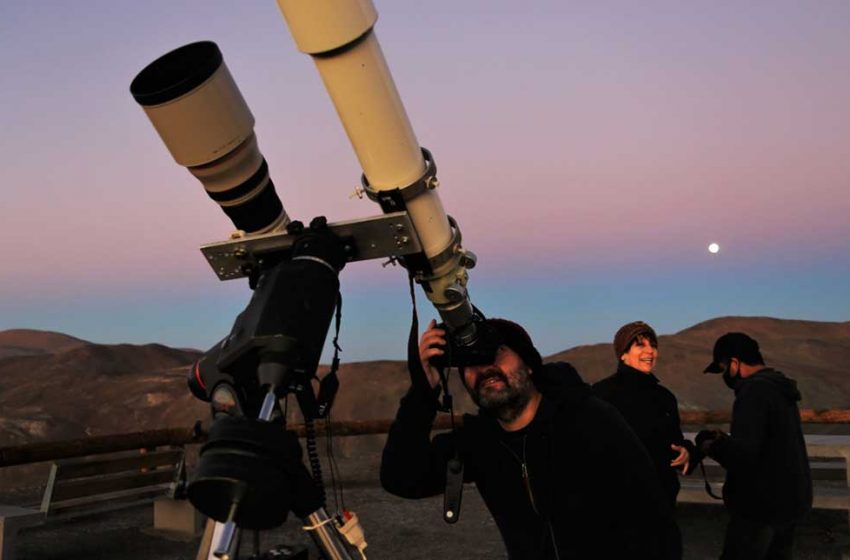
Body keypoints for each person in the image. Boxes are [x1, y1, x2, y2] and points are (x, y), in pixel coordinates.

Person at [380, 317, 671, 559]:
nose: (485, 368)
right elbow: (401, 477)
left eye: (497, 352)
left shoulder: (588, 419)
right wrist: (423, 391)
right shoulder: (478, 442)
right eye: (471, 361)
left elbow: (653, 517)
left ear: (529, 364)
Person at [697, 332, 812, 560]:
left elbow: (744, 456)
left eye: (722, 368)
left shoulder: (753, 392)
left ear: (735, 363)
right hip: (789, 503)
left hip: (760, 508)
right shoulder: (780, 388)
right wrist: (725, 440)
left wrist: (710, 446)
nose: (724, 376)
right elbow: (768, 444)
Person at [592, 321, 698, 559]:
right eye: (640, 345)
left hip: (662, 505)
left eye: (653, 345)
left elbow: (676, 441)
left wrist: (687, 451)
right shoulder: (602, 395)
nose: (650, 351)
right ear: (623, 354)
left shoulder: (664, 397)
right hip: (619, 511)